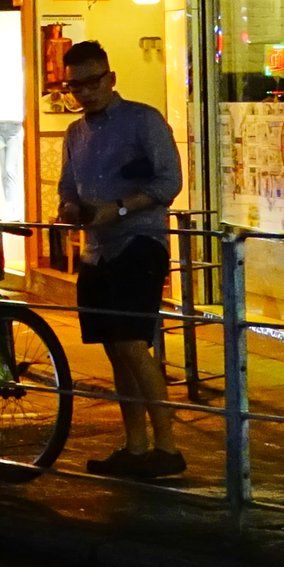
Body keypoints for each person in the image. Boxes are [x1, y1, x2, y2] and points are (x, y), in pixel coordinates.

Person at [55, 39, 187, 481]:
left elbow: (169, 182)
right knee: (115, 349)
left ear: (110, 79)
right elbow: (67, 187)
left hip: (140, 242)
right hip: (96, 249)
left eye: (92, 82)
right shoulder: (75, 133)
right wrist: (70, 208)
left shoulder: (143, 120)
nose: (85, 92)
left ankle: (167, 446)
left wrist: (121, 208)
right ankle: (135, 446)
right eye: (75, 86)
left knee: (132, 341)